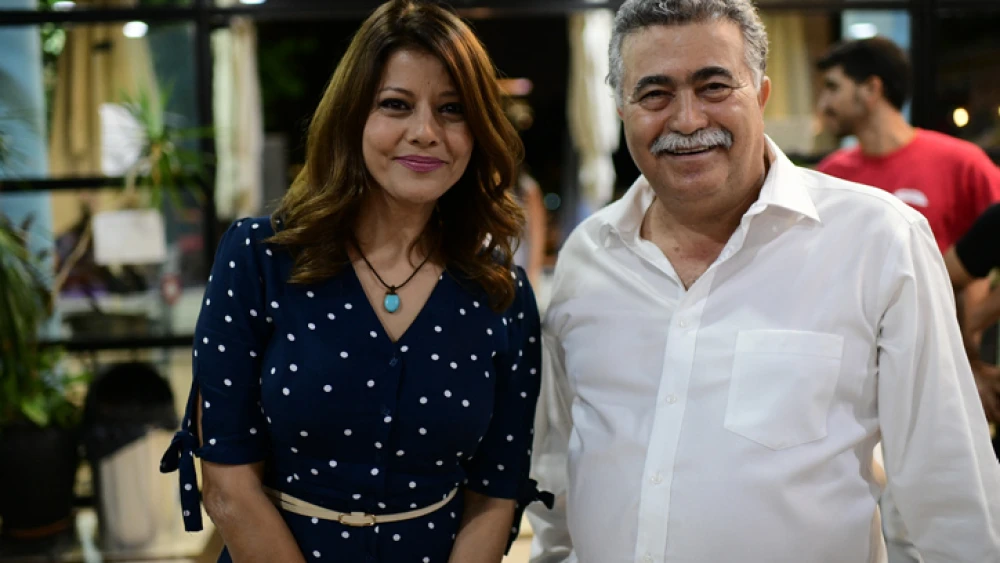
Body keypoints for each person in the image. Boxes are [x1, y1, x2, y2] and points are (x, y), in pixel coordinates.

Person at [526, 1, 1000, 562]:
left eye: (714, 87)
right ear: (623, 110)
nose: (686, 120)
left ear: (762, 95)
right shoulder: (589, 256)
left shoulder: (878, 240)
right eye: (654, 94)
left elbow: (947, 491)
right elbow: (558, 462)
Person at [159, 2, 546, 562]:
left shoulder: (501, 293)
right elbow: (228, 485)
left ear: (478, 131)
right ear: (352, 117)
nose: (425, 132)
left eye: (452, 109)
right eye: (395, 105)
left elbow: (496, 492)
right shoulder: (259, 258)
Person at [815, 37, 1000, 563]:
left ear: (871, 90)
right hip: (852, 396)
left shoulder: (961, 163)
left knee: (949, 522)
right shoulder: (828, 178)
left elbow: (970, 273)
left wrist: (971, 366)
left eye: (833, 87)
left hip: (941, 383)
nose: (823, 103)